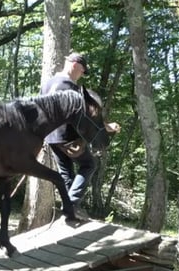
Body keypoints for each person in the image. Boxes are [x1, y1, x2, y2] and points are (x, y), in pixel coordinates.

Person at [41, 52, 120, 223]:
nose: (82, 75)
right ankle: (70, 206)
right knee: (89, 164)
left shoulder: (47, 84)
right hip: (68, 137)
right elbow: (85, 118)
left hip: (51, 137)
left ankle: (71, 212)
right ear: (75, 65)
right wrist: (107, 127)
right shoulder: (71, 87)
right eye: (82, 71)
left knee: (67, 173)